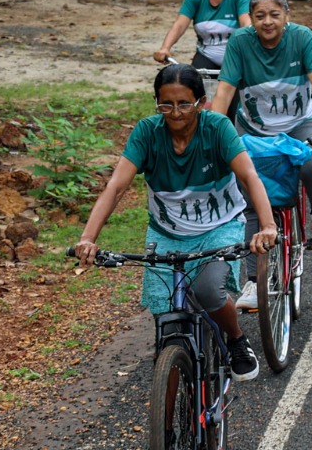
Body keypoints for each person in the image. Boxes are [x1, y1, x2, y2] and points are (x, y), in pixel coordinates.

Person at [73, 64, 277, 381]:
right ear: (157, 104)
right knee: (165, 313)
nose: (176, 112)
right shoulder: (147, 133)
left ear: (200, 102)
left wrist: (267, 226)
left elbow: (249, 176)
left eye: (184, 104)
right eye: (166, 104)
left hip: (218, 228)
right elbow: (115, 188)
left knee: (208, 291)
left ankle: (236, 339)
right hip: (167, 233)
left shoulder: (218, 128)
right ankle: (172, 385)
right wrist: (88, 238)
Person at [209, 0, 312, 304]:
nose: (267, 22)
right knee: (250, 195)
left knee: (311, 163)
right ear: (251, 18)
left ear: (286, 15)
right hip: (255, 128)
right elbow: (225, 91)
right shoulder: (240, 43)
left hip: (300, 122)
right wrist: (213, 134)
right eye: (260, 16)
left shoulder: (302, 38)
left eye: (274, 15)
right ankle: (254, 281)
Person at [154, 0, 252, 71]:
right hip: (206, 56)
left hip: (237, 56)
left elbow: (246, 24)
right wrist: (165, 48)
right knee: (192, 84)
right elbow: (179, 25)